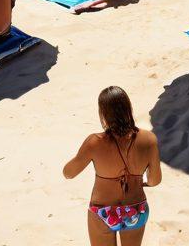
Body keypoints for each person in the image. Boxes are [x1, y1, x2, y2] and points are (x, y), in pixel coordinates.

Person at [64, 86, 161, 245]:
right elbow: (155, 181)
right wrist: (141, 182)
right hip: (136, 210)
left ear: (103, 113)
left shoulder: (94, 142)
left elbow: (68, 173)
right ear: (128, 108)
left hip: (103, 211)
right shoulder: (149, 139)